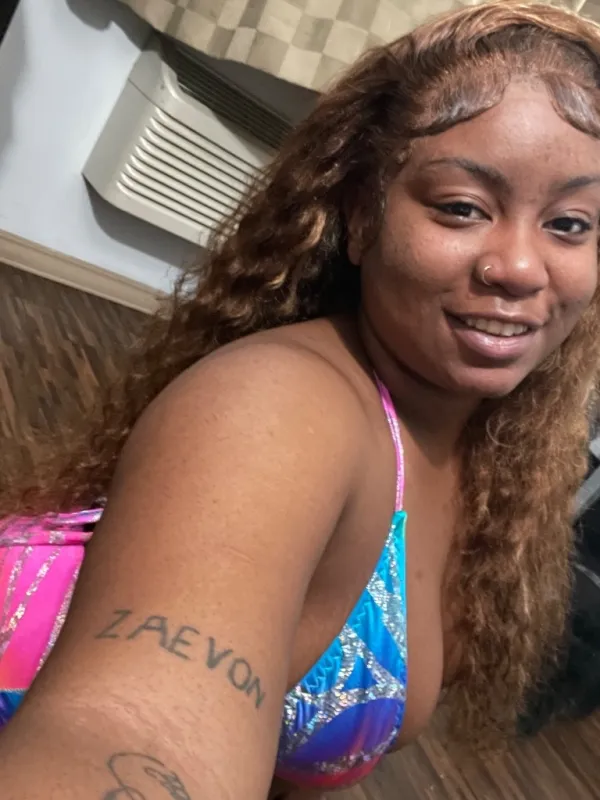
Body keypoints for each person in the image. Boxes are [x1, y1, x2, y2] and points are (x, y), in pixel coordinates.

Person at [1, 2, 600, 797]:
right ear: (360, 216)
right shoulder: (274, 411)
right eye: (462, 207)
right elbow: (131, 731)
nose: (520, 267)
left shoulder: (498, 461)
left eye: (570, 224)